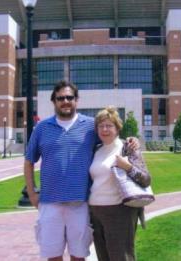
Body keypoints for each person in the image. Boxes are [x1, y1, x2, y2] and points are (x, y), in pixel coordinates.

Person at [24, 80, 138, 261]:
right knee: (53, 256)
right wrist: (32, 193)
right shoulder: (41, 128)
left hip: (80, 203)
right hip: (49, 203)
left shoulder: (90, 126)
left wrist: (131, 140)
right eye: (61, 98)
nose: (66, 101)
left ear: (76, 100)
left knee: (79, 256)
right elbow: (29, 161)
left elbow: (110, 136)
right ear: (54, 101)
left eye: (70, 97)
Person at [89, 106, 151, 261]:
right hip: (96, 213)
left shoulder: (127, 147)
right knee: (103, 257)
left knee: (121, 257)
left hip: (119, 212)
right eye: (101, 126)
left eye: (109, 125)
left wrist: (128, 167)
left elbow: (146, 179)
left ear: (117, 128)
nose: (104, 129)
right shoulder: (96, 149)